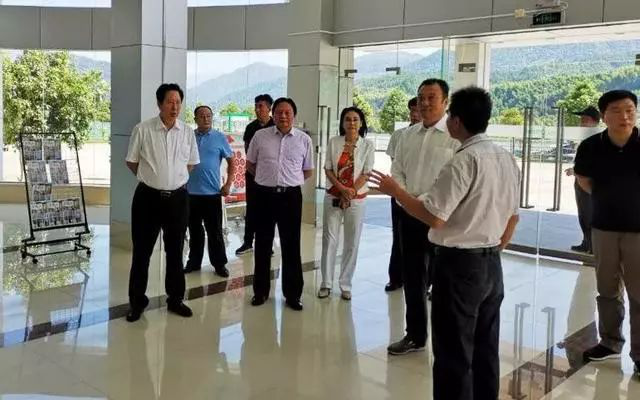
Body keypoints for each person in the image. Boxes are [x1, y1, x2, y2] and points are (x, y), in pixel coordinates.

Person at [369, 86, 520, 400]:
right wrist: (491, 251)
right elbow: (513, 217)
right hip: (491, 263)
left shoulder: (463, 160)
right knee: (485, 347)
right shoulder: (505, 157)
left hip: (459, 264)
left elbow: (434, 217)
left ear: (456, 120)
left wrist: (397, 192)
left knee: (453, 352)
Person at [387, 79, 459, 355]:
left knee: (445, 279)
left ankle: (447, 338)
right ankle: (415, 335)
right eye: (421, 98)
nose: (425, 103)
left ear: (445, 102)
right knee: (413, 277)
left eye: (431, 97)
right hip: (409, 214)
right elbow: (397, 171)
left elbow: (453, 178)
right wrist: (407, 199)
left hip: (442, 218)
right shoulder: (407, 136)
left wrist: (426, 202)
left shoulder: (455, 138)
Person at [576, 90, 640, 376]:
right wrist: (608, 199)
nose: (625, 116)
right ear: (604, 116)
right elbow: (583, 179)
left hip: (638, 230)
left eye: (630, 110)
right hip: (603, 227)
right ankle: (610, 342)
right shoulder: (591, 146)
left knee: (639, 292)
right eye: (616, 110)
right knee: (607, 289)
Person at [124, 83, 199, 322]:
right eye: (169, 102)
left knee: (175, 252)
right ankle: (137, 302)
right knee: (142, 252)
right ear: (159, 104)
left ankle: (175, 299)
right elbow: (131, 161)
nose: (174, 106)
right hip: (147, 199)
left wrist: (172, 180)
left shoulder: (187, 132)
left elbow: (191, 163)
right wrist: (154, 180)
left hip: (178, 199)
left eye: (178, 102)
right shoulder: (143, 129)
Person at [246, 97, 314, 311]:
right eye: (279, 112)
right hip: (264, 196)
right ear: (273, 115)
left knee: (291, 245)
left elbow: (308, 171)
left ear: (294, 115)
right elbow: (250, 164)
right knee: (262, 244)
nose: (283, 116)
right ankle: (260, 291)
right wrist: (267, 179)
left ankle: (293, 294)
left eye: (287, 112)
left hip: (290, 197)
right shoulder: (260, 136)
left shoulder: (304, 140)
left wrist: (287, 181)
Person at [317, 107, 375, 301]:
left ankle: (345, 284)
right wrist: (342, 189)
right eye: (348, 119)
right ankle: (326, 283)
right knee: (329, 240)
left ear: (361, 123)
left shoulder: (368, 145)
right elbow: (327, 169)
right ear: (342, 123)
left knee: (352, 241)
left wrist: (350, 192)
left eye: (355, 119)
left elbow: (367, 173)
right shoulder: (334, 142)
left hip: (356, 199)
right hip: (333, 195)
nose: (351, 123)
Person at [184, 105, 235, 277]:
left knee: (215, 232)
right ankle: (194, 262)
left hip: (212, 194)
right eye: (202, 116)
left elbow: (232, 162)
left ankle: (219, 264)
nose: (206, 119)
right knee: (194, 231)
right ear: (195, 119)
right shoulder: (188, 137)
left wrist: (228, 184)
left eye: (208, 116)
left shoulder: (219, 137)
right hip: (190, 193)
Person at [384, 96, 421, 292]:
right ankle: (396, 277)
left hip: (422, 196)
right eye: (412, 111)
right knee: (399, 236)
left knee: (426, 239)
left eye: (418, 111)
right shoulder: (399, 135)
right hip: (399, 193)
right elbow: (396, 166)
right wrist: (401, 192)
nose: (415, 114)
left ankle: (426, 281)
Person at [236, 94, 275, 256]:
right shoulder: (251, 128)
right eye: (256, 106)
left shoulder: (275, 126)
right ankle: (247, 242)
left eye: (261, 106)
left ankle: (267, 244)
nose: (258, 109)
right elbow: (248, 151)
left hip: (270, 177)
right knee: (252, 208)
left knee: (268, 211)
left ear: (269, 108)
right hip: (253, 174)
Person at [565, 106, 600, 253]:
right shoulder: (586, 138)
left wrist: (576, 171)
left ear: (594, 122)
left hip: (589, 183)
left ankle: (593, 245)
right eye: (582, 120)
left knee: (589, 214)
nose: (581, 123)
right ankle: (587, 242)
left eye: (585, 120)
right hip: (581, 181)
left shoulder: (597, 139)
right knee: (583, 214)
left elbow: (595, 164)